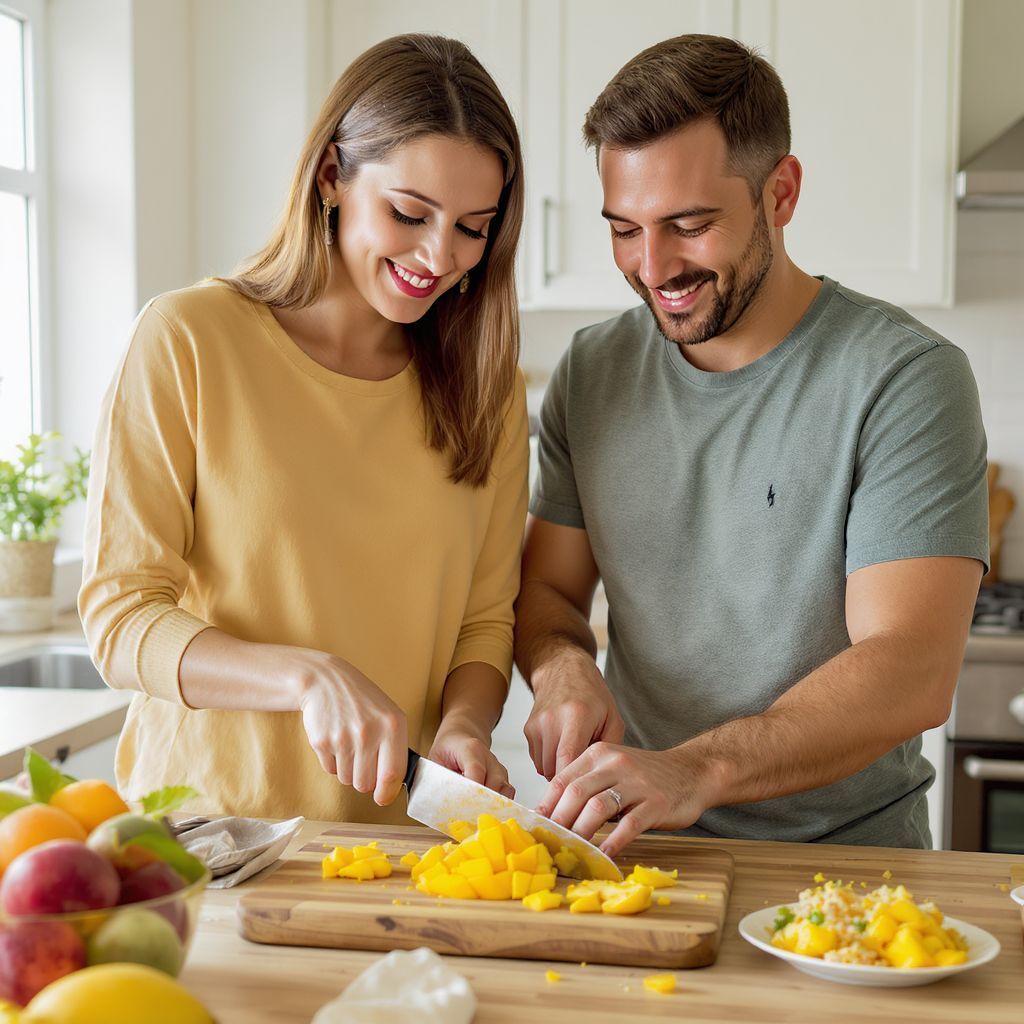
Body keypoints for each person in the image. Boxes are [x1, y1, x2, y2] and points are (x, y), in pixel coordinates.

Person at [514, 34, 988, 858]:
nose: (653, 266)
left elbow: (912, 667)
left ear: (782, 192)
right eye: (624, 229)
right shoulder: (592, 373)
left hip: (849, 871)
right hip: (644, 856)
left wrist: (694, 771)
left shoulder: (905, 378)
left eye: (689, 225)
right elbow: (547, 592)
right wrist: (561, 671)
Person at [79, 34, 529, 824]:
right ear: (331, 177)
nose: (440, 255)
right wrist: (304, 677)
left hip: (396, 850)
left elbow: (485, 623)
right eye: (409, 213)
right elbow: (121, 619)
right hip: (209, 841)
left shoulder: (486, 390)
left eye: (472, 226)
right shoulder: (188, 339)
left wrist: (465, 724)